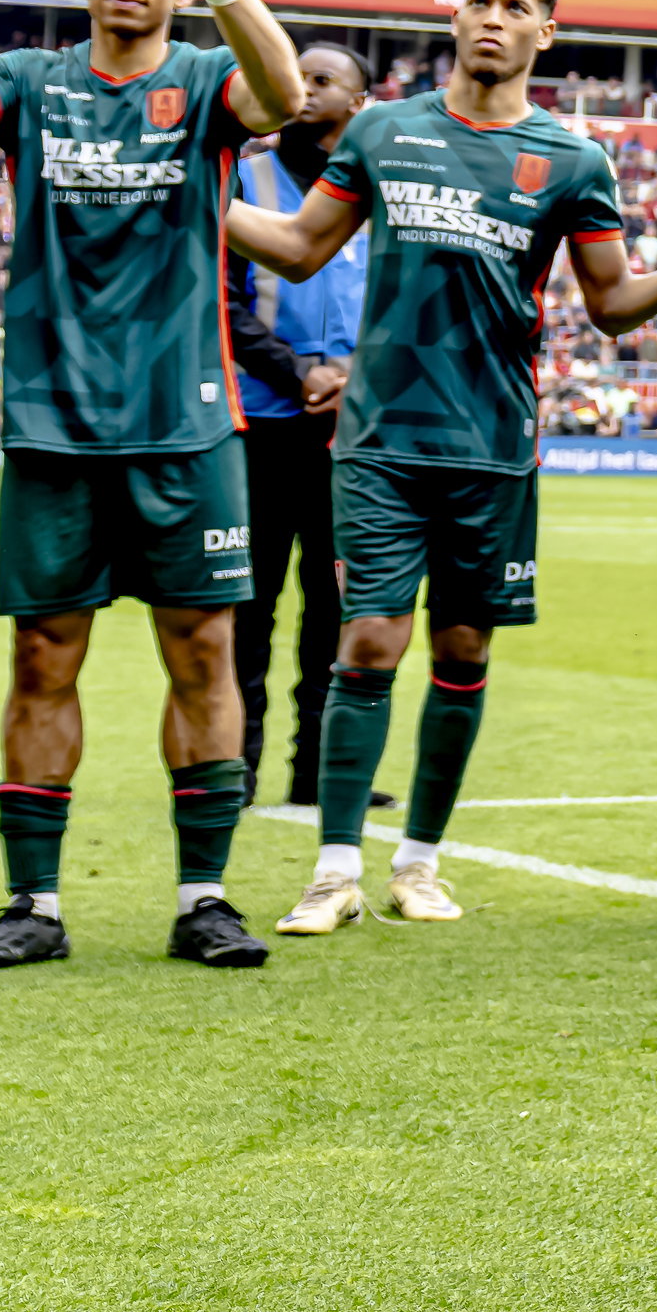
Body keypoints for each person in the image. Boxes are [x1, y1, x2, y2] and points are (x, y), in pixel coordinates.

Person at [226, 0, 657, 937]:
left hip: (494, 445)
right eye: (478, 2)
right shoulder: (384, 129)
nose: (491, 19)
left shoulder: (574, 160)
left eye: (514, 7)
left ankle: (418, 862)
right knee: (367, 642)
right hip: (378, 441)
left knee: (462, 646)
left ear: (546, 32)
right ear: (455, 18)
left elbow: (612, 304)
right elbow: (298, 246)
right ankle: (334, 871)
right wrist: (198, 199)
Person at [0, 0, 304, 971]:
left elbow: (281, 99)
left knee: (204, 654)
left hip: (188, 423)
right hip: (53, 427)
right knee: (43, 655)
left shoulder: (207, 78)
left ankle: (204, 897)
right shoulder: (30, 81)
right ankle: (32, 902)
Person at [224, 42, 373, 809]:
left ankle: (319, 770)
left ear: (358, 102)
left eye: (323, 81)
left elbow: (401, 302)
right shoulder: (244, 175)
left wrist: (358, 382)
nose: (305, 90)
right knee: (249, 603)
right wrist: (299, 371)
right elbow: (222, 299)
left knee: (338, 604)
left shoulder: (381, 188)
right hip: (264, 423)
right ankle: (235, 768)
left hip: (353, 431)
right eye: (299, 76)